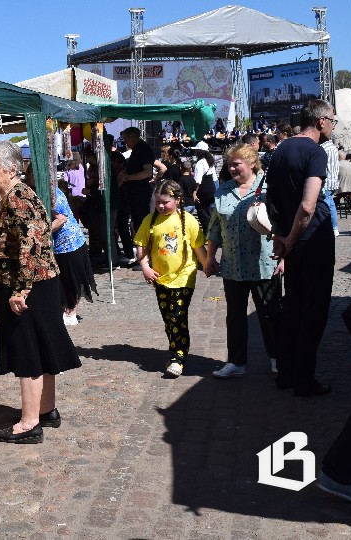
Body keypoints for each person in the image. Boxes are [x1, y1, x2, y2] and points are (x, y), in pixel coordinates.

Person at [0, 141, 81, 444]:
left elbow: (32, 245)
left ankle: (29, 423)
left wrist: (20, 291)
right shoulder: (11, 197)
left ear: (10, 169)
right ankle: (46, 411)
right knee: (42, 348)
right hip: (39, 283)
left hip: (31, 285)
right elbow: (18, 236)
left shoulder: (19, 197)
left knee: (30, 351)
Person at [266, 98, 336, 397]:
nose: (333, 125)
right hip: (311, 240)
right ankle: (304, 379)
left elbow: (272, 199)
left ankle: (286, 372)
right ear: (321, 121)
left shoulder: (281, 150)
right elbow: (308, 207)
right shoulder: (314, 151)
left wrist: (281, 237)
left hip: (290, 239)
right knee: (313, 310)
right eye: (333, 120)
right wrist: (290, 239)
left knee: (294, 306)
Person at [205, 144, 283, 378]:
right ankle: (236, 362)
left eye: (235, 164)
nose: (230, 168)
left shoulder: (270, 188)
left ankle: (278, 357)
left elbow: (284, 224)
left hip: (265, 263)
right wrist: (210, 257)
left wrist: (285, 256)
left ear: (251, 163)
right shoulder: (224, 190)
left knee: (270, 315)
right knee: (235, 316)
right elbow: (215, 227)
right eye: (228, 164)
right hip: (233, 265)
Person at [133, 180, 209, 378]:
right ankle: (175, 348)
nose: (161, 206)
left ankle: (178, 358)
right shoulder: (150, 220)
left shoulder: (188, 220)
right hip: (160, 279)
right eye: (158, 202)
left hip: (184, 277)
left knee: (177, 316)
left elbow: (198, 246)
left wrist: (208, 265)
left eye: (165, 202)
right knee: (169, 319)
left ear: (177, 199)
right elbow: (142, 245)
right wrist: (145, 267)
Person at [51, 185, 97, 326]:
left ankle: (71, 313)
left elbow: (61, 219)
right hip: (59, 245)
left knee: (72, 279)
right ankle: (65, 310)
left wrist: (40, 232)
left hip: (70, 243)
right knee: (63, 280)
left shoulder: (53, 193)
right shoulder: (47, 191)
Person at [117, 127, 156, 265]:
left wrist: (128, 177)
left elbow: (147, 173)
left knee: (143, 225)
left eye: (126, 138)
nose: (125, 141)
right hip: (135, 193)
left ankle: (147, 259)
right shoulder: (137, 150)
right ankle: (142, 257)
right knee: (138, 225)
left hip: (141, 194)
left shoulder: (143, 150)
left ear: (132, 137)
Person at [192, 148, 217, 228]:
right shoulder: (210, 162)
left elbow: (198, 180)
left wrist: (195, 192)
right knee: (209, 212)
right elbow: (215, 178)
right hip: (211, 187)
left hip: (203, 189)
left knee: (203, 214)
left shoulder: (199, 163)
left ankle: (207, 234)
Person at [320, 139, 341, 236]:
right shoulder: (333, 147)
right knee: (331, 204)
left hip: (327, 181)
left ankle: (327, 227)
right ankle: (334, 228)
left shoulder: (324, 148)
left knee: (326, 205)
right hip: (333, 180)